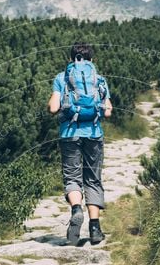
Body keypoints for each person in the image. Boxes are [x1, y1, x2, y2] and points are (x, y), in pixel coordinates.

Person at [48, 43, 112, 245]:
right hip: (94, 133)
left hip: (69, 134)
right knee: (93, 178)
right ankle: (95, 228)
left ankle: (76, 209)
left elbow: (53, 108)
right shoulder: (99, 79)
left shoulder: (62, 78)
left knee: (72, 176)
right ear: (91, 60)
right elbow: (108, 110)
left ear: (71, 59)